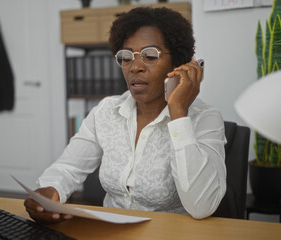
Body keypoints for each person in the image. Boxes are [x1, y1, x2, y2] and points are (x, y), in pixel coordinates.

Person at [24, 6, 227, 223]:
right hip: (110, 233)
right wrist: (51, 190)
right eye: (126, 57)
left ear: (178, 63)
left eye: (150, 55)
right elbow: (68, 167)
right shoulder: (106, 111)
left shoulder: (205, 118)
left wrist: (178, 113)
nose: (135, 66)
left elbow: (202, 206)